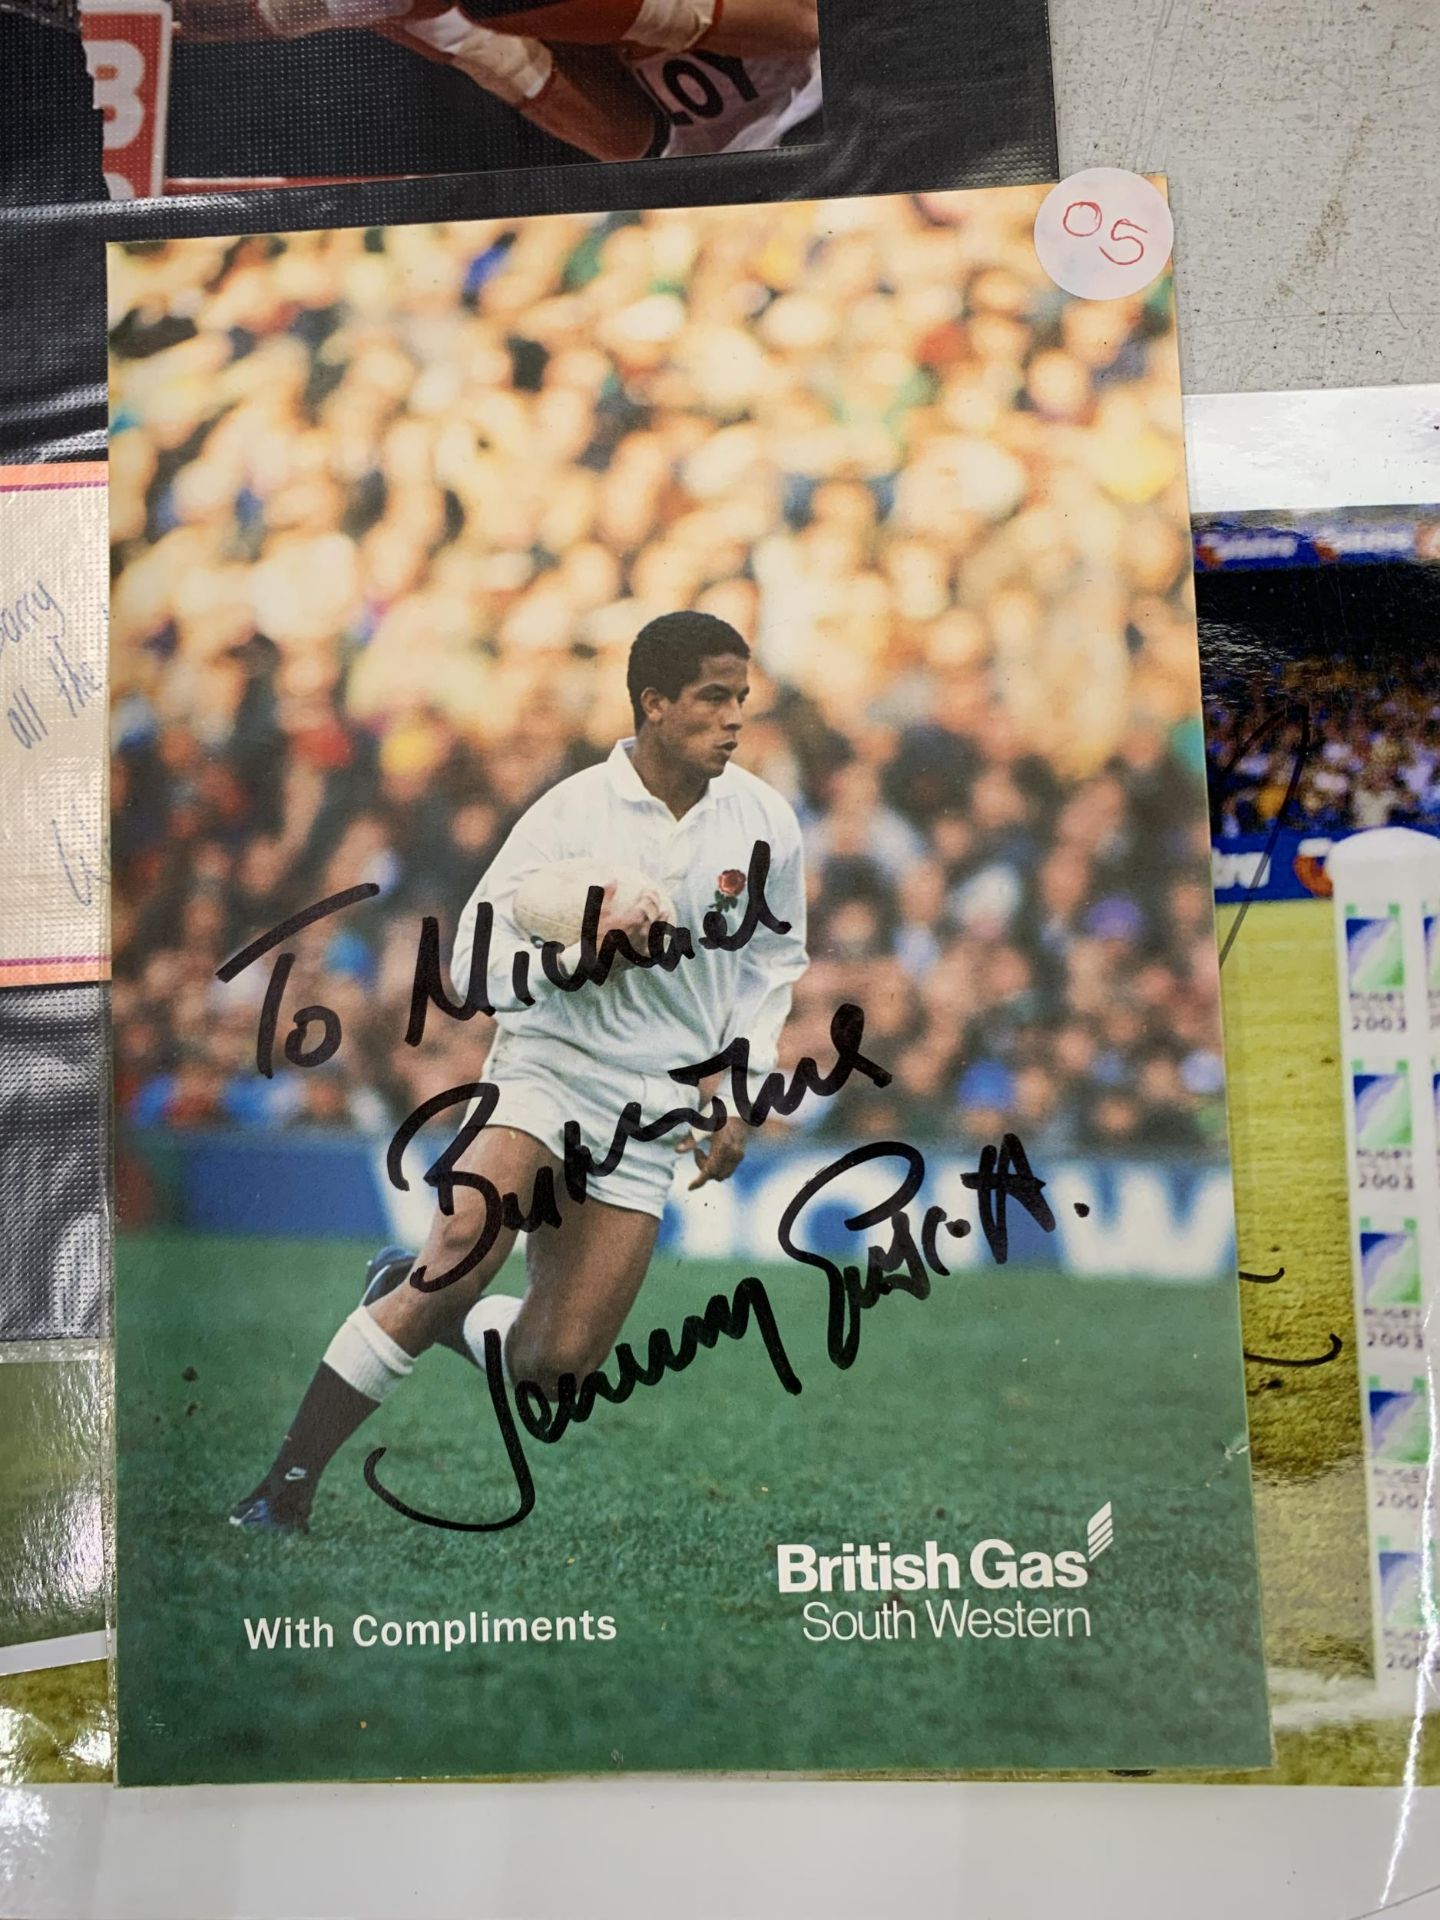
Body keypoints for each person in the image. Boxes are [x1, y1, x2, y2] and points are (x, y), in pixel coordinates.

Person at [231, 611, 809, 1532]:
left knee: (557, 1366)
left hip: (654, 1106)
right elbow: (471, 961)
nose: (735, 717)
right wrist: (578, 951)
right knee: (458, 1260)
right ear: (654, 704)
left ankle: (428, 1303)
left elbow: (772, 969)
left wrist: (737, 1087)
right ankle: (283, 1491)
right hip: (548, 1066)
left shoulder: (766, 822)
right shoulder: (570, 813)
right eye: (713, 697)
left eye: (741, 697)